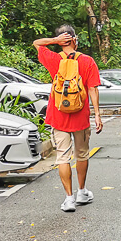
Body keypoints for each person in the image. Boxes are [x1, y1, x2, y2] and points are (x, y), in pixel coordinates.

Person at [33, 25, 103, 212]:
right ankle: (82, 191)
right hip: (80, 116)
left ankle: (69, 199)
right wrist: (97, 114)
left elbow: (37, 43)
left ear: (61, 40)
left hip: (59, 115)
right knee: (82, 154)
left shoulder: (53, 59)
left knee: (63, 157)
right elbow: (93, 89)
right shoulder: (87, 61)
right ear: (74, 39)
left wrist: (54, 41)